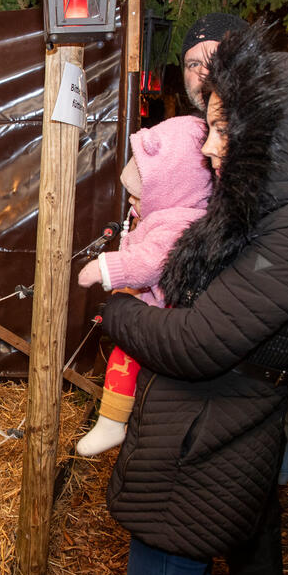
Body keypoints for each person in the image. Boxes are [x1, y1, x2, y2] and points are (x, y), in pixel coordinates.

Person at [100, 23, 288, 575]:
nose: (209, 148)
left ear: (276, 133)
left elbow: (197, 342)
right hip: (209, 427)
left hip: (208, 440)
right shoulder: (282, 208)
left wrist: (116, 309)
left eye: (225, 130)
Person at [76, 116, 211, 456]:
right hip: (153, 307)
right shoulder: (168, 215)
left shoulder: (176, 224)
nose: (132, 202)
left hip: (159, 309)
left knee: (125, 357)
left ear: (175, 186)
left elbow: (151, 263)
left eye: (138, 195)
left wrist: (105, 268)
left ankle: (111, 421)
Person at [181, 13, 248, 112]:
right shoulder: (180, 127)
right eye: (194, 64)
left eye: (215, 60)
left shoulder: (274, 124)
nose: (204, 73)